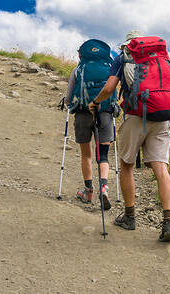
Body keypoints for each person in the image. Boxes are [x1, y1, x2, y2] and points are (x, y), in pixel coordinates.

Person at [88, 30, 170, 242]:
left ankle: (129, 217)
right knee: (161, 168)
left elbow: (110, 87)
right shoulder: (165, 57)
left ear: (128, 44)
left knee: (126, 164)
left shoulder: (123, 57)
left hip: (136, 115)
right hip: (162, 115)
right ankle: (168, 222)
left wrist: (96, 102)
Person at [61, 39, 118, 211]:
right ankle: (104, 188)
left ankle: (88, 191)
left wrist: (66, 102)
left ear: (82, 54)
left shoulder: (78, 69)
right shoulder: (110, 68)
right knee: (104, 155)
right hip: (105, 114)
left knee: (86, 155)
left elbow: (69, 98)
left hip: (83, 114)